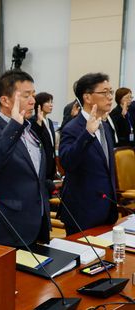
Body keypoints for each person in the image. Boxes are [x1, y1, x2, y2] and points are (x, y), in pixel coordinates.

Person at [0, 69, 50, 247]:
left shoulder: (29, 130)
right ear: (5, 100)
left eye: (33, 94)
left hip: (35, 224)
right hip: (6, 228)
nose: (33, 100)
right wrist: (14, 126)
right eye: (26, 96)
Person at [59, 73, 118, 234]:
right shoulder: (72, 128)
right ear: (87, 97)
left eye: (111, 92)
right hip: (83, 211)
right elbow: (67, 162)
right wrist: (87, 134)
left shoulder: (104, 126)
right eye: (104, 92)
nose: (110, 97)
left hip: (107, 208)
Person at [30, 92, 57, 180]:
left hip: (51, 163)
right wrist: (39, 123)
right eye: (48, 102)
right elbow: (36, 141)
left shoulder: (50, 122)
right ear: (39, 104)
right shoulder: (33, 121)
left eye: (51, 102)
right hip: (41, 163)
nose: (51, 105)